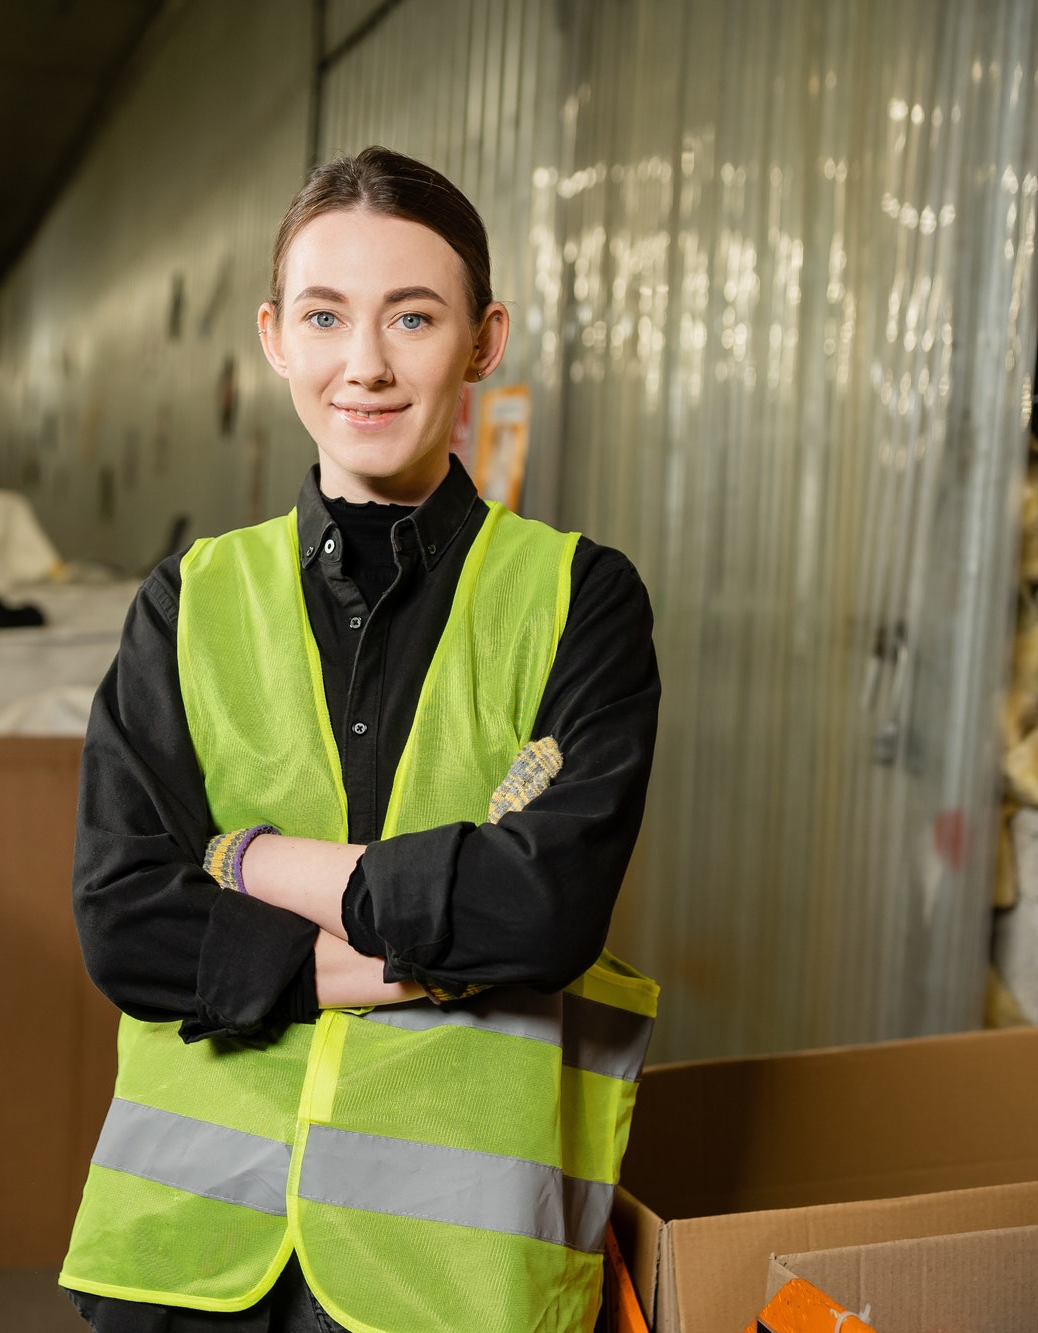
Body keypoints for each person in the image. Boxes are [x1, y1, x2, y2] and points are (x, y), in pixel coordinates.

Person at [61, 147, 662, 1333]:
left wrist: (248, 864)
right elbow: (126, 924)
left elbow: (543, 913)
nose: (366, 364)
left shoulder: (576, 598)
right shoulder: (188, 599)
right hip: (186, 1273)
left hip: (446, 1286)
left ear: (483, 340)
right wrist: (445, 948)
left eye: (413, 316)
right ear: (276, 335)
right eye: (326, 316)